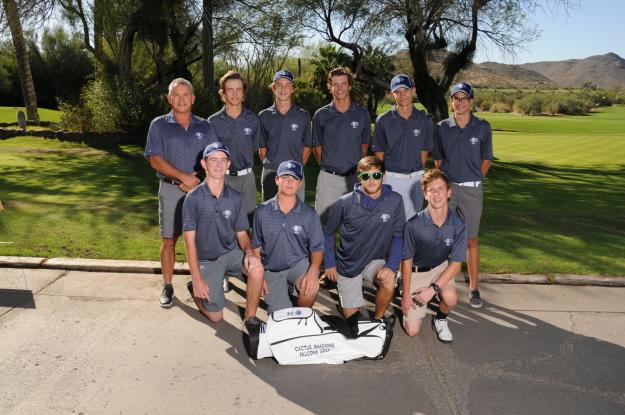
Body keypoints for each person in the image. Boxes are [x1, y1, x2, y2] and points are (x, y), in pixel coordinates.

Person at [144, 78, 218, 308]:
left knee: (203, 239)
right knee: (169, 239)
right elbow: (154, 159)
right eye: (176, 94)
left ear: (193, 99)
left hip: (200, 189)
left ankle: (201, 281)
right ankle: (167, 285)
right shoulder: (158, 125)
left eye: (186, 94)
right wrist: (183, 177)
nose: (181, 99)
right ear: (169, 98)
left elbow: (215, 158)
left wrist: (197, 181)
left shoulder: (205, 126)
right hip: (171, 189)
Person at [182, 142, 264, 324]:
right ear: (204, 164)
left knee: (257, 268)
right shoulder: (193, 198)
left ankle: (250, 319)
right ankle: (196, 291)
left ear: (228, 165)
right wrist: (196, 278)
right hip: (207, 260)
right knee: (216, 317)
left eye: (223, 160)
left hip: (230, 253)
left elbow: (242, 234)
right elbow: (189, 241)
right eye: (213, 160)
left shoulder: (235, 197)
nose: (218, 165)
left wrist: (250, 253)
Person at [433, 82, 493, 308]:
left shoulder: (483, 127)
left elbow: (486, 159)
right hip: (448, 190)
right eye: (456, 98)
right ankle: (439, 285)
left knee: (470, 240)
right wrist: (448, 184)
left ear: (471, 101)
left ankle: (473, 288)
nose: (459, 102)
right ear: (451, 101)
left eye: (464, 98)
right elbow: (438, 160)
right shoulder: (442, 127)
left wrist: (474, 180)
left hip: (472, 189)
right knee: (442, 237)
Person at [324, 156, 405, 321]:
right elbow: (327, 233)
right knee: (353, 320)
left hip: (374, 260)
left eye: (376, 175)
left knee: (389, 281)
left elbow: (399, 236)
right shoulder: (344, 203)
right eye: (366, 176)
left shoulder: (395, 200)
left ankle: (377, 320)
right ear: (359, 177)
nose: (372, 181)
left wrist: (391, 266)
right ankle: (345, 299)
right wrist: (330, 264)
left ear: (384, 176)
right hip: (348, 263)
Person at [400, 169, 466, 343]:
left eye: (440, 189)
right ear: (425, 194)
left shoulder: (458, 224)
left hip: (440, 267)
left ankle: (440, 318)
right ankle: (400, 288)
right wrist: (406, 296)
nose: (436, 194)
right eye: (431, 190)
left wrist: (432, 289)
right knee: (412, 331)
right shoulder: (413, 225)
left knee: (450, 297)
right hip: (416, 271)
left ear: (449, 192)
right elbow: (406, 262)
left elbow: (456, 264)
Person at [251, 160, 324, 313]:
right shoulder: (262, 211)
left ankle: (300, 314)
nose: (290, 182)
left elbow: (317, 248)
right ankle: (285, 300)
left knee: (309, 291)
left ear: (300, 183)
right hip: (271, 268)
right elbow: (256, 246)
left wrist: (313, 272)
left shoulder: (309, 214)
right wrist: (260, 277)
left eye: (294, 178)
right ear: (277, 180)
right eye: (285, 177)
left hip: (297, 264)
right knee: (281, 316)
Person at [312, 66, 371, 224]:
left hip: (355, 180)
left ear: (350, 85)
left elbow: (364, 146)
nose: (339, 88)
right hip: (328, 179)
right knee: (324, 226)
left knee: (353, 227)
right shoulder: (321, 114)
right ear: (329, 87)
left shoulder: (362, 114)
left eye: (343, 83)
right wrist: (329, 168)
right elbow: (317, 147)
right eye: (335, 84)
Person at [372, 74, 434, 219]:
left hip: (416, 180)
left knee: (412, 224)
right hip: (390, 179)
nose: (402, 95)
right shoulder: (383, 120)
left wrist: (415, 172)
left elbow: (425, 151)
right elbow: (379, 153)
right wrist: (381, 179)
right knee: (388, 223)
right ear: (392, 94)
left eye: (405, 90)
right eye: (397, 92)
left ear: (413, 90)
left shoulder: (424, 120)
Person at [208, 70, 260, 222]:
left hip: (247, 179)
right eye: (230, 89)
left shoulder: (253, 120)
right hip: (222, 178)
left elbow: (254, 149)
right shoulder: (213, 122)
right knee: (223, 224)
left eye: (239, 89)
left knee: (248, 225)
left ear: (244, 93)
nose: (235, 94)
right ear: (223, 93)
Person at [258, 70, 313, 201]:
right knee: (269, 215)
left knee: (296, 215)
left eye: (287, 85)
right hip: (271, 173)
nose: (283, 89)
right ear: (274, 88)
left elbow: (307, 147)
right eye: (279, 85)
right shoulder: (263, 116)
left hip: (295, 174)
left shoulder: (303, 115)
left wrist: (297, 168)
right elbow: (262, 148)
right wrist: (271, 165)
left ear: (293, 89)